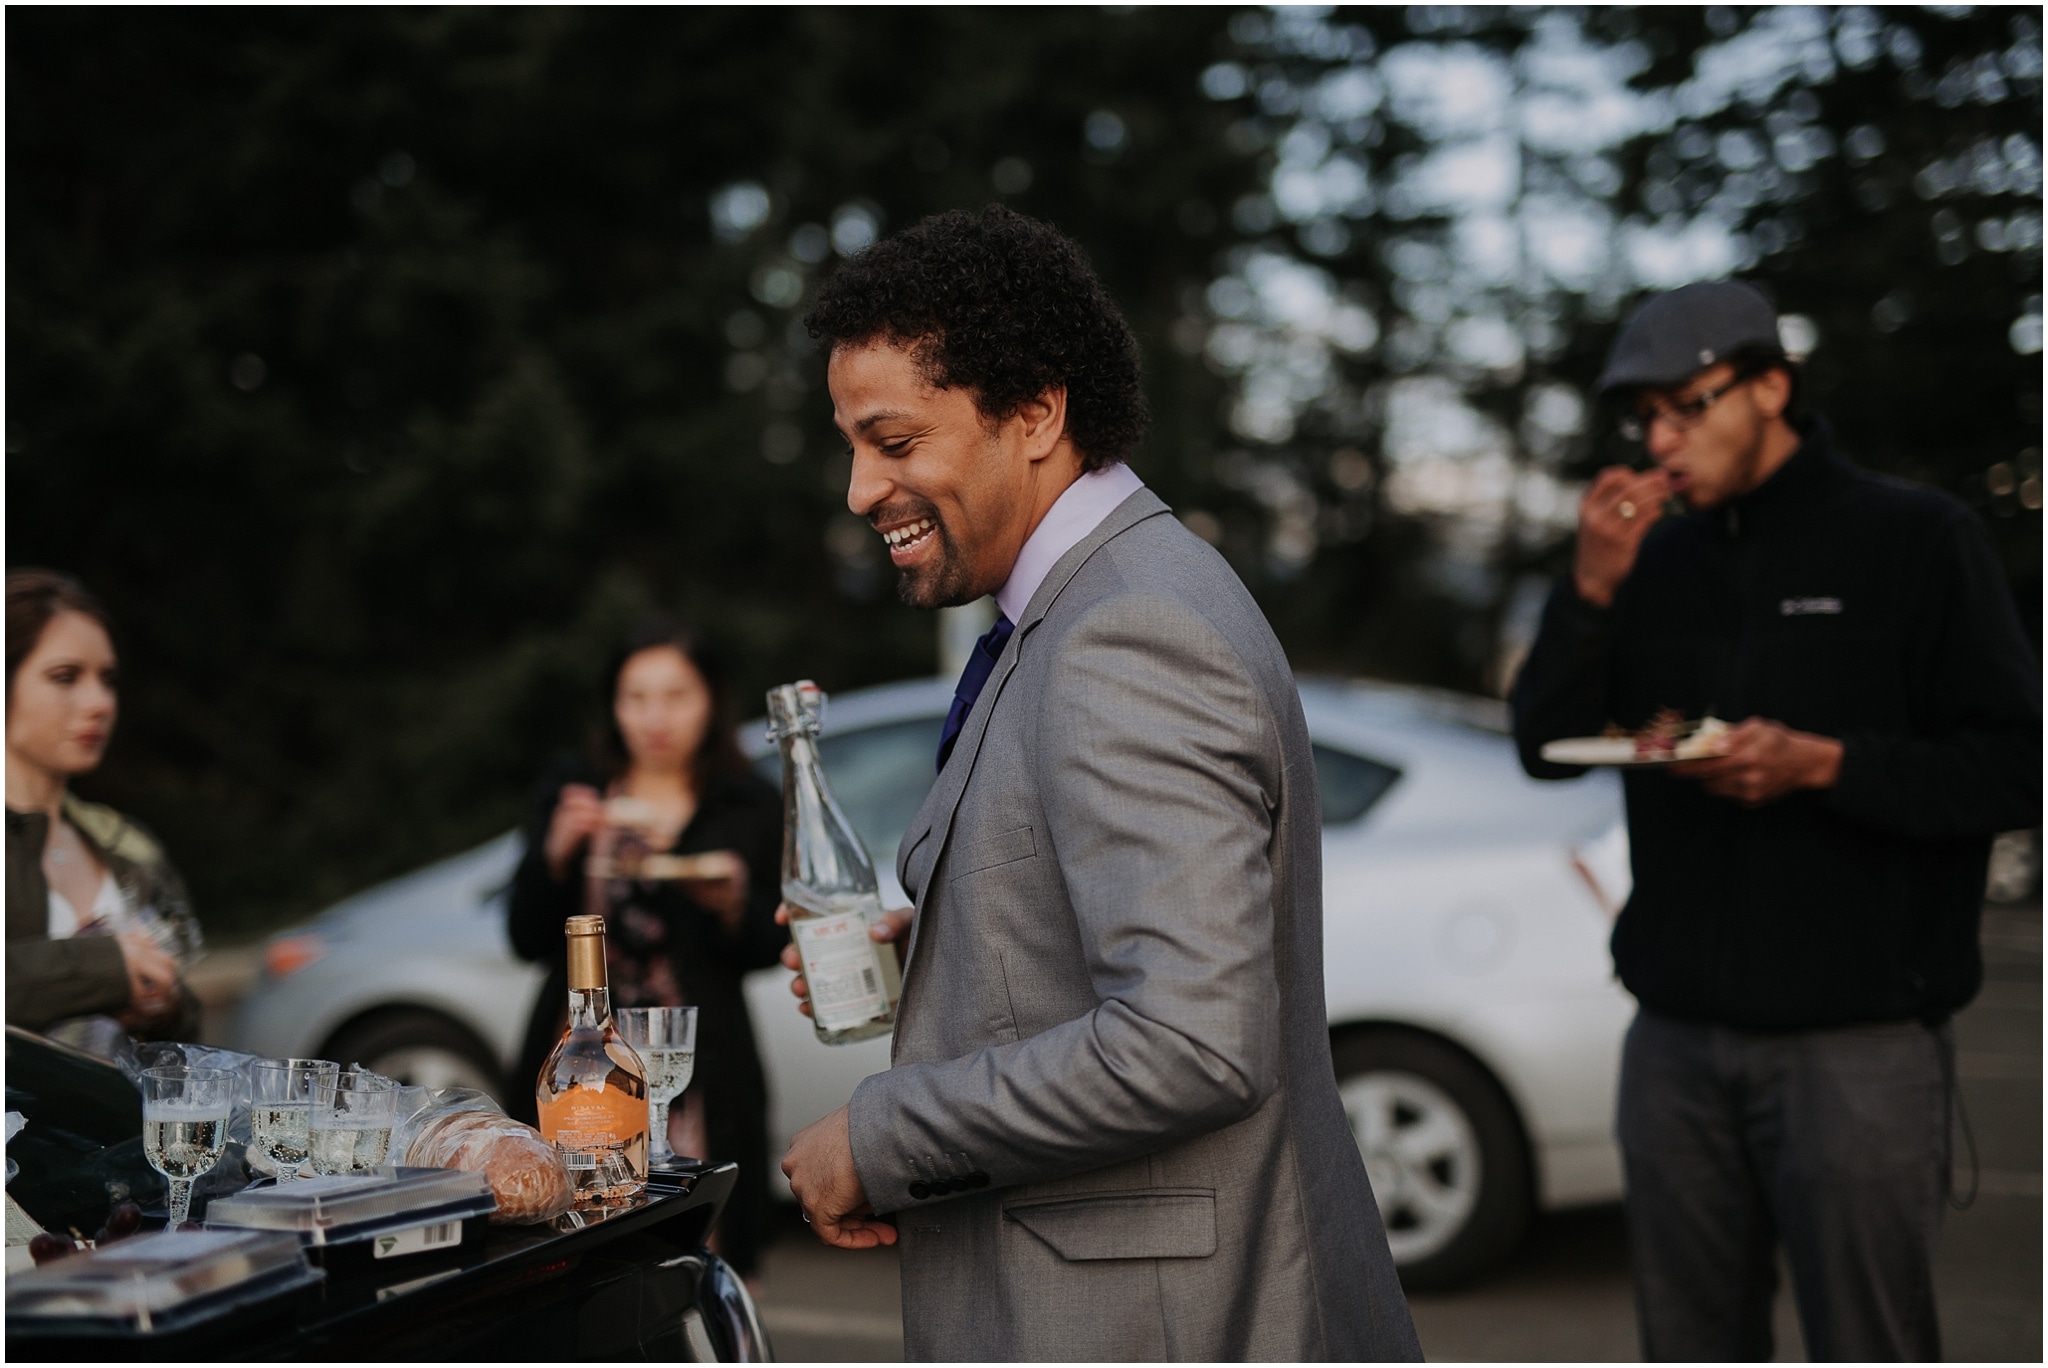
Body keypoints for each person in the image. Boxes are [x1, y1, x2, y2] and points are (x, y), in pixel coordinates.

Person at [775, 206, 1420, 1361]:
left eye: (894, 440)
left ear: (1034, 412)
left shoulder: (1126, 633)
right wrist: (940, 944)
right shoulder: (1094, 602)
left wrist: (881, 1138)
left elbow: (1193, 1041)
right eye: (852, 444)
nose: (861, 489)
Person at [1511, 280, 2041, 1360]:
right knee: (1691, 1347)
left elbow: (2014, 765)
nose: (1660, 439)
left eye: (1686, 406)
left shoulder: (1914, 540)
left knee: (1869, 1344)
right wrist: (1591, 587)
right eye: (1642, 417)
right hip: (1671, 1042)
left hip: (1858, 1046)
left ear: (1769, 387)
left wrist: (1826, 766)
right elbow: (1544, 741)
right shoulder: (1648, 557)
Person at [504, 615, 784, 1277]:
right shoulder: (576, 790)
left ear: (710, 700)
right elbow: (523, 936)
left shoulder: (744, 802)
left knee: (691, 1260)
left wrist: (735, 905)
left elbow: (768, 945)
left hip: (694, 1069)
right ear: (614, 705)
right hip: (578, 1067)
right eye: (636, 697)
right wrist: (554, 855)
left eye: (676, 696)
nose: (655, 717)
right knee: (562, 1252)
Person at [5, 569, 202, 1043]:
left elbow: (192, 1037)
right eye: (65, 677)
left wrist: (166, 1009)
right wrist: (103, 969)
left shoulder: (128, 843)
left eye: (107, 680)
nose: (99, 703)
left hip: (116, 1116)